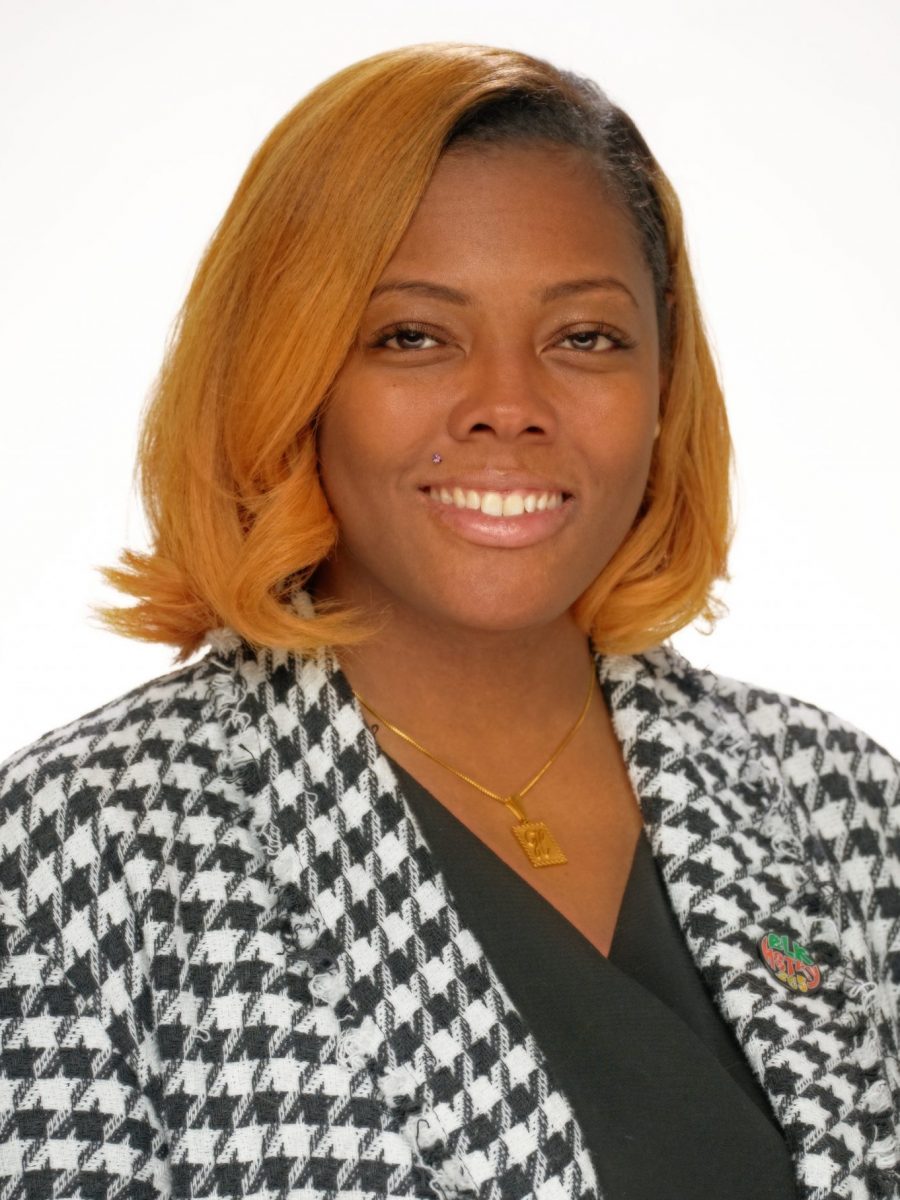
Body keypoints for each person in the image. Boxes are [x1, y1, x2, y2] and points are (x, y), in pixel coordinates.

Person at [0, 40, 897, 1200]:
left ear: (663, 385)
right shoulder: (77, 853)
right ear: (291, 375)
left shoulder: (840, 803)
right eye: (412, 336)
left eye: (584, 338)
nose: (508, 408)